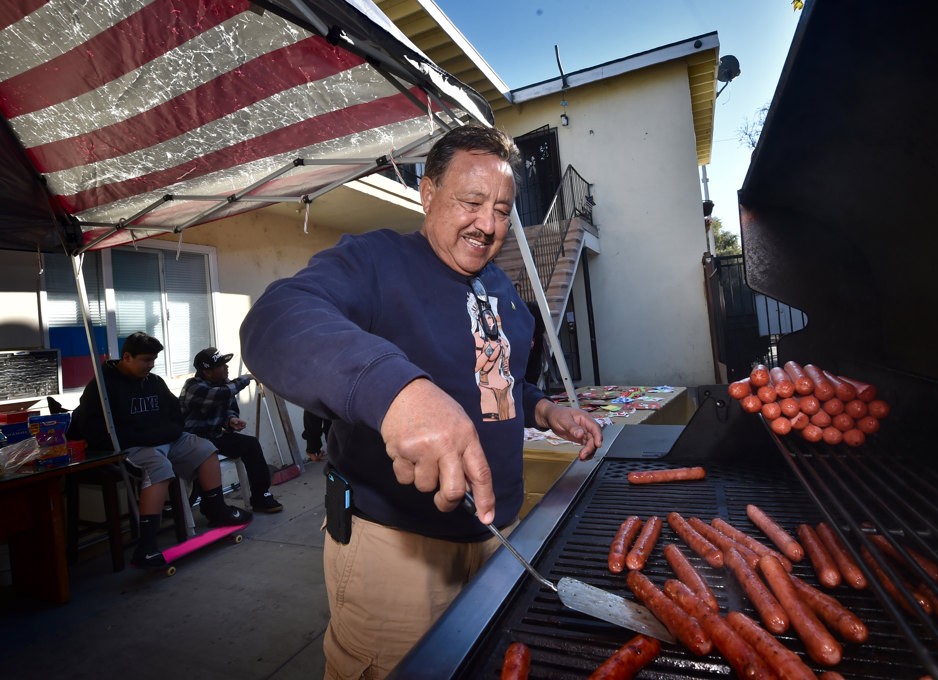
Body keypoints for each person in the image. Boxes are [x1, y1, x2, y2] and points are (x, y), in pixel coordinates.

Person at [239, 124, 603, 679]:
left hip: (496, 537)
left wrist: (545, 409)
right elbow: (275, 320)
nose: (488, 225)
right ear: (427, 193)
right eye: (472, 202)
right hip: (395, 547)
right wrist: (398, 391)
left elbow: (501, 382)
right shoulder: (375, 260)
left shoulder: (502, 290)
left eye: (503, 210)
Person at [72, 332, 252, 568]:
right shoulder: (103, 387)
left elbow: (176, 414)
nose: (151, 365)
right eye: (146, 360)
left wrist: (169, 433)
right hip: (130, 447)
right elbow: (93, 429)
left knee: (205, 448)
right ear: (127, 357)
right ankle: (146, 547)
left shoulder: (154, 382)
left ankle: (217, 510)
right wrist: (147, 437)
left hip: (166, 440)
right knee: (159, 466)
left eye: (153, 360)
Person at [179, 347, 283, 513]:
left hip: (215, 436)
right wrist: (244, 379)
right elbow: (219, 395)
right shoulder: (193, 387)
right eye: (221, 365)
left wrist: (230, 420)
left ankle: (260, 496)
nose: (226, 368)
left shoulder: (223, 384)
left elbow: (229, 407)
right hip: (194, 441)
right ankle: (212, 506)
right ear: (207, 372)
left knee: (251, 444)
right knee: (206, 454)